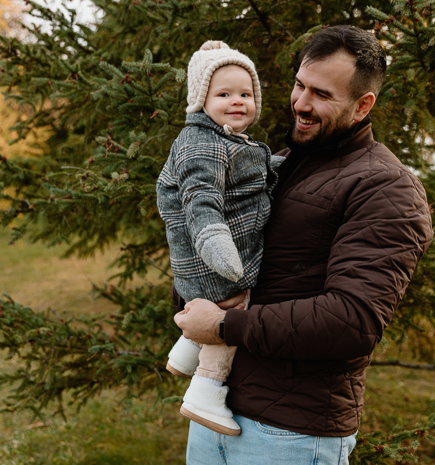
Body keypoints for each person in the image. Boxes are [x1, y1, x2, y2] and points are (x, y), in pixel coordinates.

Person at [174, 25, 434, 464]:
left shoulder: (387, 188)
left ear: (363, 104)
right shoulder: (280, 162)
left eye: (322, 94)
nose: (301, 103)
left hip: (290, 436)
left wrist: (221, 326)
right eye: (299, 84)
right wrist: (192, 294)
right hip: (213, 414)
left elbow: (351, 321)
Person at [156, 40, 281, 436]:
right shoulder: (203, 146)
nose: (237, 101)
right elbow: (201, 201)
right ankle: (206, 390)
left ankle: (186, 350)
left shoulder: (224, 139)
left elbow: (245, 175)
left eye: (245, 93)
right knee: (234, 305)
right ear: (201, 99)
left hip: (203, 259)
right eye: (223, 94)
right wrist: (217, 246)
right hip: (212, 256)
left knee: (223, 300)